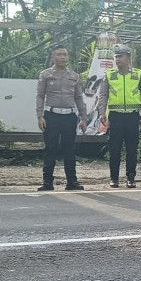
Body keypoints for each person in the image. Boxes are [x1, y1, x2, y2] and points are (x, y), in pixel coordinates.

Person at [35, 44, 88, 191]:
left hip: (69, 117)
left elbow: (79, 98)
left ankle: (72, 182)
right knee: (50, 149)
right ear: (53, 57)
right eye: (59, 54)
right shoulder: (45, 74)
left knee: (69, 149)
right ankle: (47, 182)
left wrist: (84, 118)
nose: (63, 57)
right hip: (51, 116)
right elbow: (40, 96)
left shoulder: (74, 76)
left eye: (65, 54)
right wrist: (40, 116)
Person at [98, 44, 141, 188]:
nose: (117, 59)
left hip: (133, 117)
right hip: (115, 117)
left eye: (120, 56)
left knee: (132, 149)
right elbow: (103, 95)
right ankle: (114, 178)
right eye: (116, 57)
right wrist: (102, 112)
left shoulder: (138, 75)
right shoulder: (109, 75)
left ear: (128, 58)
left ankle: (131, 177)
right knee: (114, 148)